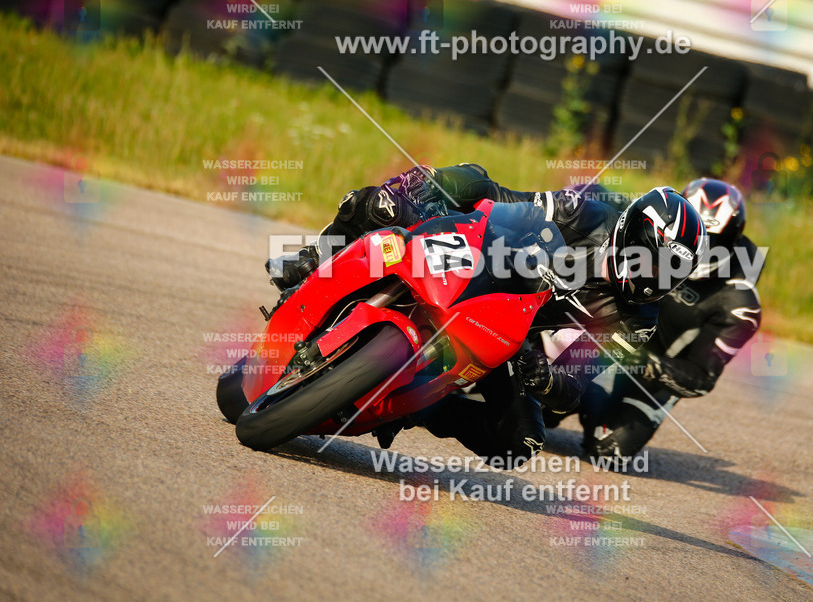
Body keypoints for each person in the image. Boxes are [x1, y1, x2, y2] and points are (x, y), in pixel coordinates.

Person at [266, 164, 709, 466]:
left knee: (522, 441)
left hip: (512, 341)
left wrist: (546, 378)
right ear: (633, 233)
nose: (656, 278)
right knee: (396, 201)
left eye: (673, 271)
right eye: (654, 261)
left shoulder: (639, 319)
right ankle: (316, 258)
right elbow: (510, 200)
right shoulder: (588, 213)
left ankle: (420, 406)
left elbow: (574, 386)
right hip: (486, 267)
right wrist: (443, 192)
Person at [559, 178, 764, 459]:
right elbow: (592, 194)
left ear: (733, 241)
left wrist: (650, 366)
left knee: (608, 450)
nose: (694, 247)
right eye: (694, 234)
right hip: (606, 339)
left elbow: (702, 377)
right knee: (543, 401)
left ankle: (590, 402)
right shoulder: (645, 230)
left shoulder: (741, 304)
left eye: (712, 241)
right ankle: (565, 398)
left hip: (649, 374)